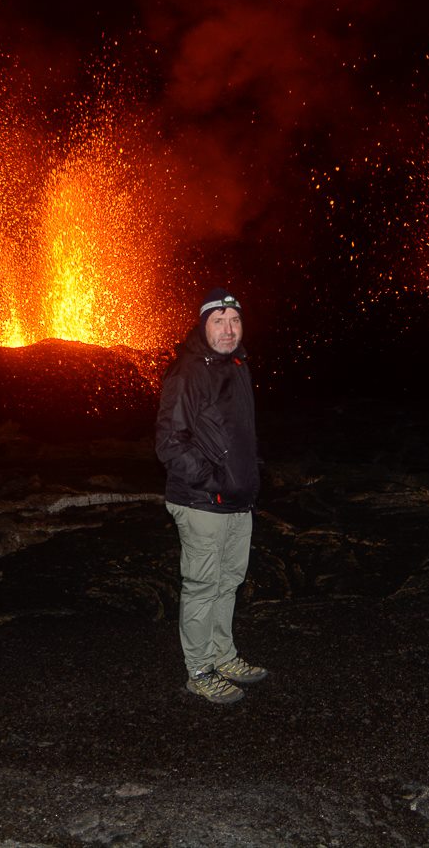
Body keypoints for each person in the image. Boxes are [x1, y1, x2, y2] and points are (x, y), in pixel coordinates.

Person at [155, 287, 269, 704]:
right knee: (203, 585)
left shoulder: (237, 365)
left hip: (238, 501)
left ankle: (223, 654)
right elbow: (170, 442)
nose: (228, 329)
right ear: (203, 326)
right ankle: (199, 670)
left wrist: (251, 476)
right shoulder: (188, 372)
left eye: (234, 320)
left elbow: (238, 434)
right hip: (202, 502)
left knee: (228, 582)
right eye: (218, 321)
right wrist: (214, 481)